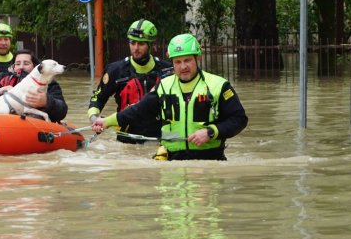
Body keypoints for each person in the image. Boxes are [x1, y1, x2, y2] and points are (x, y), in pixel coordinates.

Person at [91, 33, 248, 160]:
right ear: (172, 63)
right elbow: (137, 111)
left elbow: (239, 119)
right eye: (178, 62)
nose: (183, 67)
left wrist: (211, 132)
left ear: (198, 58)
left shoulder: (218, 85)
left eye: (187, 60)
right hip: (171, 160)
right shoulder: (164, 86)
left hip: (210, 159)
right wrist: (106, 122)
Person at [87, 19, 172, 143]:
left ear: (151, 45)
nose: (136, 48)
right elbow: (98, 98)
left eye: (141, 44)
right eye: (132, 43)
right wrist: (94, 118)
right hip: (126, 139)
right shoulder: (115, 70)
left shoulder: (167, 70)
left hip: (160, 138)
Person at [0, 49, 68, 122]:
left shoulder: (50, 84)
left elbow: (62, 111)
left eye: (26, 63)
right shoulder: (1, 78)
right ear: (13, 66)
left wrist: (47, 102)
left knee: (35, 117)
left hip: (30, 126)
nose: (21, 66)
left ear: (35, 66)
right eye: (17, 63)